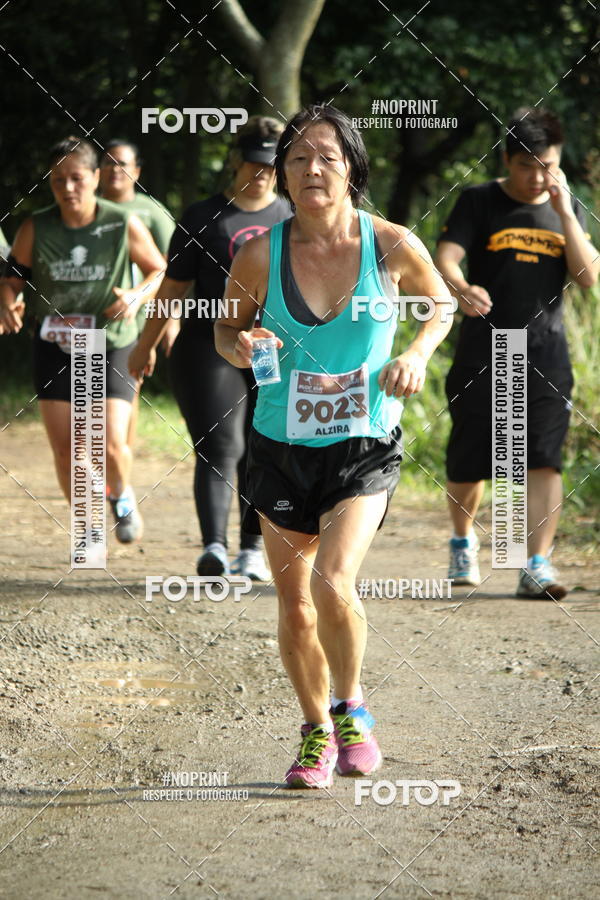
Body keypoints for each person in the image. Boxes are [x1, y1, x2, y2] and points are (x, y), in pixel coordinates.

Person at [214, 104, 453, 788]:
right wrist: (245, 342)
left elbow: (439, 304)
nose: (312, 168)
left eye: (327, 156)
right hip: (280, 443)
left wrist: (416, 354)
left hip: (362, 445)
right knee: (294, 603)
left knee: (333, 581)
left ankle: (353, 709)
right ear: (281, 176)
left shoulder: (391, 244)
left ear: (351, 167)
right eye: (297, 158)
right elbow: (224, 332)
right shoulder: (260, 253)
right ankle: (315, 727)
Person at [435, 107, 599, 598]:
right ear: (508, 161)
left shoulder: (566, 207)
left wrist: (567, 210)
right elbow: (446, 255)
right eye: (527, 166)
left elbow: (589, 276)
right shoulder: (479, 201)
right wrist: (460, 286)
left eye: (547, 165)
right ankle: (463, 540)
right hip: (484, 348)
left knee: (543, 458)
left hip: (546, 351)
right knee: (469, 458)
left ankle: (536, 563)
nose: (537, 177)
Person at [129, 116, 290, 579]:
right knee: (222, 444)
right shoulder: (203, 217)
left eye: (271, 165)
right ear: (237, 161)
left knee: (265, 446)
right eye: (254, 163)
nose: (261, 173)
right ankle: (214, 547)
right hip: (208, 344)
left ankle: (252, 549)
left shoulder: (290, 218)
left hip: (269, 347)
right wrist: (145, 346)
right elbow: (172, 290)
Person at [0, 136, 166, 542]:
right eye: (58, 181)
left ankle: (121, 494)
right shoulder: (36, 225)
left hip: (110, 340)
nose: (68, 188)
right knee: (66, 449)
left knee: (108, 444)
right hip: (55, 342)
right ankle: (88, 524)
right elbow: (12, 280)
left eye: (76, 178)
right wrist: (6, 301)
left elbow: (159, 271)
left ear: (95, 178)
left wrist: (135, 295)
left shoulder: (120, 222)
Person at [98, 139, 176, 452]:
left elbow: (174, 271)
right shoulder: (86, 209)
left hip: (143, 320)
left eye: (122, 164)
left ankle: (121, 467)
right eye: (107, 163)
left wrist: (170, 322)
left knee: (126, 393)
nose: (115, 170)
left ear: (137, 171)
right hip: (94, 319)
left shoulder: (151, 211)